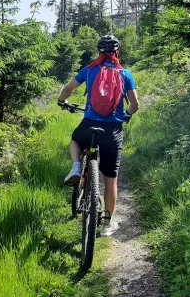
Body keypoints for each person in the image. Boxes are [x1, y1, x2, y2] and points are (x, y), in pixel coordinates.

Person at [57, 34, 139, 236]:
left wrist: (62, 101)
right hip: (112, 130)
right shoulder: (125, 74)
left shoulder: (89, 69)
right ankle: (107, 225)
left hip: (90, 124)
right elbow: (135, 105)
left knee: (76, 140)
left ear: (99, 52)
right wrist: (126, 115)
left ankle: (77, 166)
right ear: (117, 52)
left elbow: (67, 89)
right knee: (110, 178)